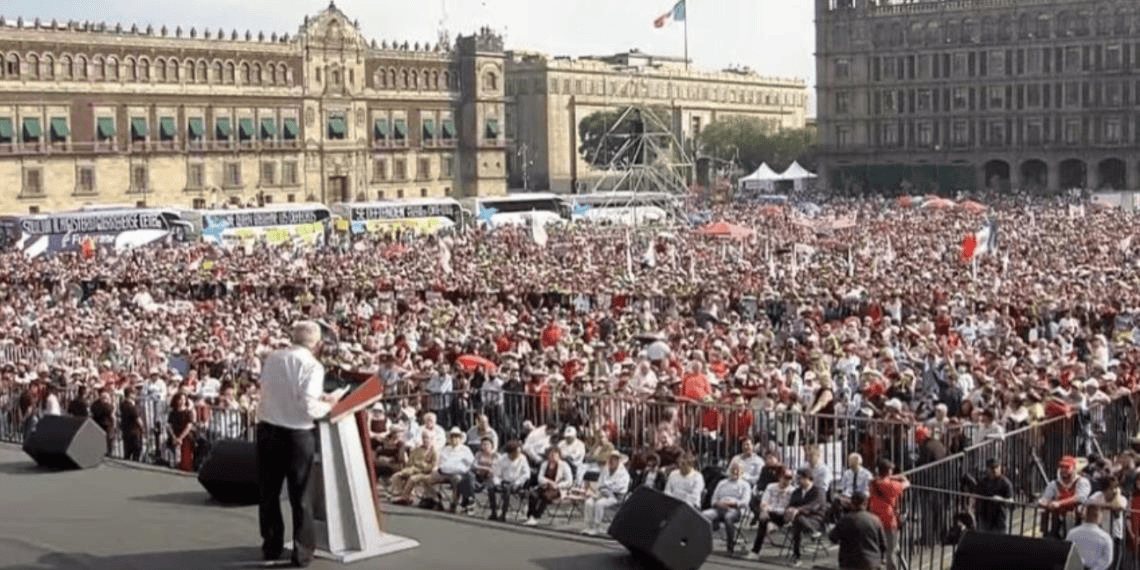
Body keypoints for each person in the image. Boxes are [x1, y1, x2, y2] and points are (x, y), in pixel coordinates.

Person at [255, 321, 340, 568]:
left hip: (268, 430)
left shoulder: (272, 357)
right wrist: (329, 404)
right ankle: (302, 553)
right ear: (318, 343)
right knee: (301, 496)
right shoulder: (313, 366)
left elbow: (274, 390)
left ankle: (271, 546)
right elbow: (308, 406)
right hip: (297, 434)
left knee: (268, 492)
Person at [701, 462, 751, 556]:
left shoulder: (745, 485)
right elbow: (713, 499)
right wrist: (719, 503)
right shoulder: (722, 483)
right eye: (733, 470)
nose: (735, 472)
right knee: (704, 515)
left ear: (742, 472)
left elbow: (745, 502)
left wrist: (731, 503)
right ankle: (704, 544)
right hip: (719, 508)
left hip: (735, 510)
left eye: (738, 470)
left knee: (728, 518)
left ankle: (730, 547)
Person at [829, 492, 887, 570]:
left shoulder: (845, 520)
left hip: (849, 563)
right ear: (866, 503)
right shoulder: (875, 520)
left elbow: (833, 537)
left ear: (851, 503)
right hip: (871, 562)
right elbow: (883, 544)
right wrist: (881, 558)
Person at [868, 460, 909, 570]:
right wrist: (902, 478)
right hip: (888, 520)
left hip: (874, 519)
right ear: (889, 471)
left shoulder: (874, 482)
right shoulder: (890, 484)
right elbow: (906, 484)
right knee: (891, 550)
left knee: (877, 548)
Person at [1039, 455, 1091, 539]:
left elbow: (1080, 497)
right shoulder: (1054, 484)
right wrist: (1045, 503)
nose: (1063, 470)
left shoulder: (1082, 482)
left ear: (1074, 468)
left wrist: (1059, 503)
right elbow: (1047, 498)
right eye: (1061, 467)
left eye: (1067, 467)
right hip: (1057, 521)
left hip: (1077, 521)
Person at [748, 468, 795, 558]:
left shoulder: (792, 491)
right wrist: (765, 510)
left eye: (790, 478)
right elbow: (764, 502)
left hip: (783, 517)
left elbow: (788, 509)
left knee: (764, 518)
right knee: (763, 519)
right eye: (786, 477)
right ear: (780, 477)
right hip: (769, 514)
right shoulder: (770, 487)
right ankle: (755, 551)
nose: (788, 480)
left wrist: (769, 510)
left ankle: (755, 551)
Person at [581, 451, 631, 535]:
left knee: (599, 504)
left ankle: (597, 527)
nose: (611, 461)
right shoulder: (605, 470)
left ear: (618, 461)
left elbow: (620, 488)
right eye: (610, 459)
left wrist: (607, 488)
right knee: (589, 502)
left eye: (614, 459)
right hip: (602, 494)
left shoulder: (624, 474)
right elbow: (600, 483)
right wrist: (602, 489)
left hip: (615, 497)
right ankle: (589, 526)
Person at [786, 467, 827, 566]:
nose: (798, 481)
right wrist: (790, 510)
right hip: (799, 519)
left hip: (815, 520)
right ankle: (797, 555)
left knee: (798, 521)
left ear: (808, 478)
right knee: (797, 522)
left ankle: (797, 556)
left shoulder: (818, 491)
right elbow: (791, 504)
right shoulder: (796, 492)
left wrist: (798, 510)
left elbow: (814, 506)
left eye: (800, 478)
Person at [1087, 475, 1127, 570]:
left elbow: (1120, 505)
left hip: (1116, 535)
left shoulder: (1121, 498)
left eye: (1115, 488)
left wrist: (1116, 494)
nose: (1113, 490)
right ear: (1104, 489)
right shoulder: (1098, 496)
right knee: (1102, 562)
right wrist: (1105, 506)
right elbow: (1088, 503)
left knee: (1115, 562)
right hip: (1101, 533)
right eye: (1111, 488)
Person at [487, 440, 530, 522]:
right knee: (490, 488)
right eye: (516, 452)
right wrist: (497, 483)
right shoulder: (503, 458)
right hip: (503, 482)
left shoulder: (523, 459)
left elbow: (526, 474)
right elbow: (496, 473)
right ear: (510, 452)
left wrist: (517, 483)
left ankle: (503, 514)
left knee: (507, 489)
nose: (518, 453)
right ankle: (493, 512)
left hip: (516, 484)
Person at [1067, 504, 1114, 570]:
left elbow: (1068, 554)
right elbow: (1108, 560)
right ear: (1098, 517)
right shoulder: (1105, 538)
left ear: (1085, 515)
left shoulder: (1072, 533)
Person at [975, 458, 1013, 533]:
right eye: (992, 468)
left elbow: (1011, 501)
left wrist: (1001, 499)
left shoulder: (1005, 483)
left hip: (999, 520)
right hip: (985, 518)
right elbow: (976, 496)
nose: (995, 470)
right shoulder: (983, 482)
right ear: (987, 469)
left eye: (997, 467)